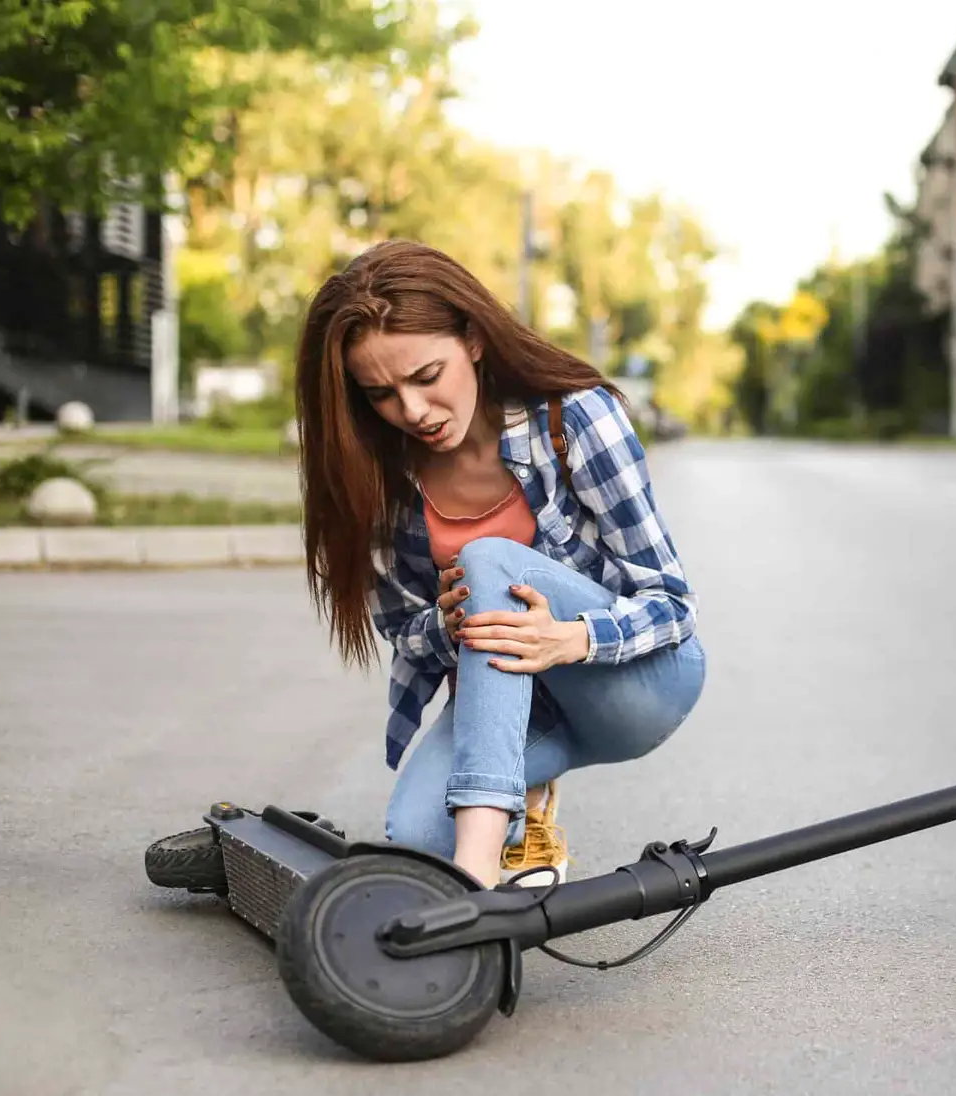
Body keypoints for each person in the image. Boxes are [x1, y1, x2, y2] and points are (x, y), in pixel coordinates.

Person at [292, 239, 705, 890]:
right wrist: (447, 622)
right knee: (416, 838)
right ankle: (519, 804)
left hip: (636, 683)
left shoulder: (574, 420)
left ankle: (479, 871)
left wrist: (571, 638)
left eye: (427, 376)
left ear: (474, 340)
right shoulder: (381, 479)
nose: (413, 411)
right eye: (381, 393)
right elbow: (406, 632)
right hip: (515, 706)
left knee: (488, 559)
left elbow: (672, 603)